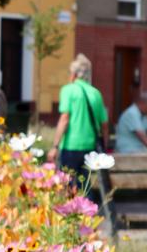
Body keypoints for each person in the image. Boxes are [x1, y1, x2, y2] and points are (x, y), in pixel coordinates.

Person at [46, 53, 109, 185]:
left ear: (74, 74)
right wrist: (105, 146)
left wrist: (55, 146)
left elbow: (64, 118)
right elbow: (104, 125)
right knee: (84, 185)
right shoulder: (96, 93)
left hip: (71, 145)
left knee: (67, 185)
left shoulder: (68, 90)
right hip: (90, 146)